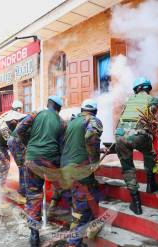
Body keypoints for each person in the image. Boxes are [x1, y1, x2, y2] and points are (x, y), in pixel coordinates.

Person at [16, 96, 66, 247]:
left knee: (33, 195)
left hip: (32, 159)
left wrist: (29, 143)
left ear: (48, 104)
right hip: (51, 160)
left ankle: (34, 235)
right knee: (63, 187)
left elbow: (19, 129)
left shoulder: (35, 114)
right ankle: (66, 219)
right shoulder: (62, 122)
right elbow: (63, 145)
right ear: (58, 108)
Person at [115, 77, 158, 215]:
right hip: (140, 136)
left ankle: (136, 203)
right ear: (147, 88)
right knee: (149, 153)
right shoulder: (152, 99)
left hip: (121, 136)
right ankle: (151, 184)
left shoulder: (128, 100)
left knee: (128, 168)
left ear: (136, 89)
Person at [61, 99, 103, 247]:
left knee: (78, 202)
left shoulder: (72, 122)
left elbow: (74, 142)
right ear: (95, 111)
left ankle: (77, 237)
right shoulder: (92, 120)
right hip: (80, 169)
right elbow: (90, 137)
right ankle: (74, 242)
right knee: (83, 206)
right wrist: (94, 162)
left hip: (66, 167)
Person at [0, 101, 26, 188]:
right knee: (6, 164)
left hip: (4, 145)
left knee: (13, 163)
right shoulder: (4, 127)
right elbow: (11, 143)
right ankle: (0, 186)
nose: (17, 121)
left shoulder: (11, 120)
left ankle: (1, 184)